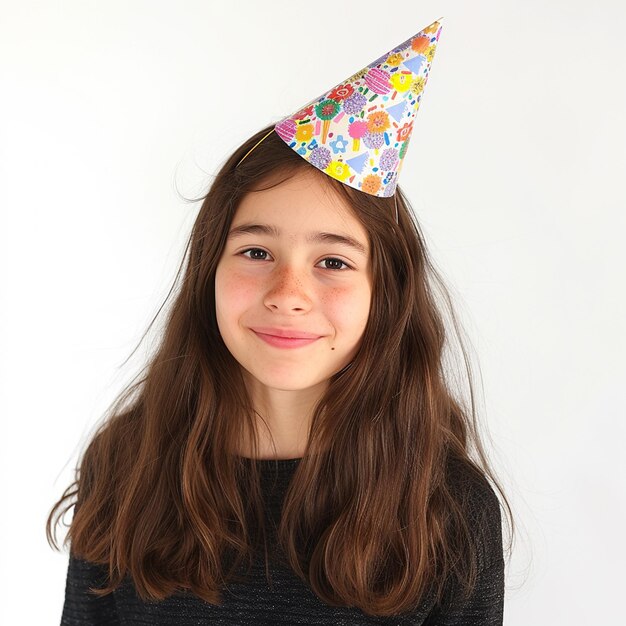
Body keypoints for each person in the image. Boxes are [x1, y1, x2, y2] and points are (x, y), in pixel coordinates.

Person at [47, 18, 513, 624]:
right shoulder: (127, 466)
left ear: (386, 293)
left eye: (332, 261)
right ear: (208, 270)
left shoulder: (445, 505)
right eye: (257, 252)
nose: (289, 294)